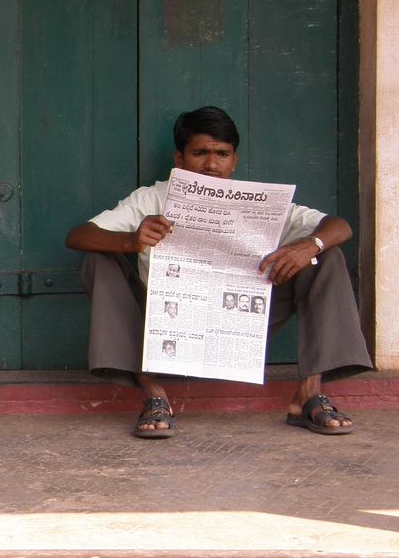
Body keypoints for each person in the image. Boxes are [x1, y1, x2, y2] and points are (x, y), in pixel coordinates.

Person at [64, 106, 372, 439]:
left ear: (234, 160)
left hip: (238, 320)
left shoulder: (257, 202)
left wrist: (309, 245)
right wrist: (129, 239)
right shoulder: (152, 198)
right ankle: (153, 393)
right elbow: (77, 236)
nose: (212, 164)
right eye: (201, 153)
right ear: (179, 159)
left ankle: (309, 393)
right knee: (97, 257)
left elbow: (339, 226)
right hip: (163, 324)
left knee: (326, 255)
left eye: (222, 154)